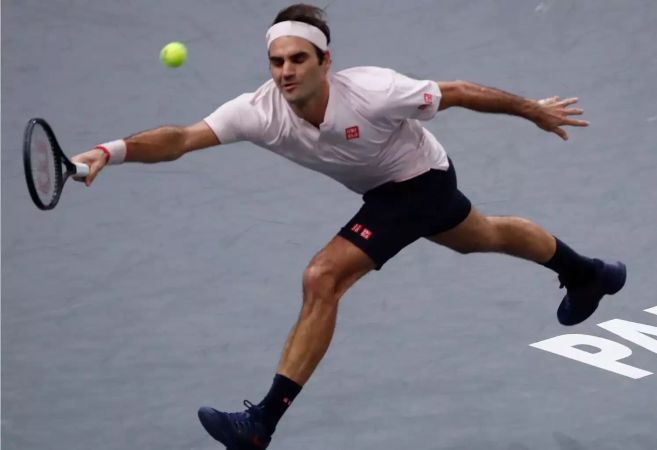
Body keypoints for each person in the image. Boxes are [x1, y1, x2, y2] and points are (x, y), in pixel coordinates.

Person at [72, 4, 627, 449]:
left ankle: (261, 422)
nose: (285, 71)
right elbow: (181, 138)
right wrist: (110, 150)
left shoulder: (375, 90)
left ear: (324, 61)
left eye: (297, 59)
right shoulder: (258, 109)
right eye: (276, 61)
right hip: (386, 192)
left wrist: (531, 109)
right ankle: (589, 273)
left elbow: (455, 91)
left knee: (323, 277)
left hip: (420, 180)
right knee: (482, 236)